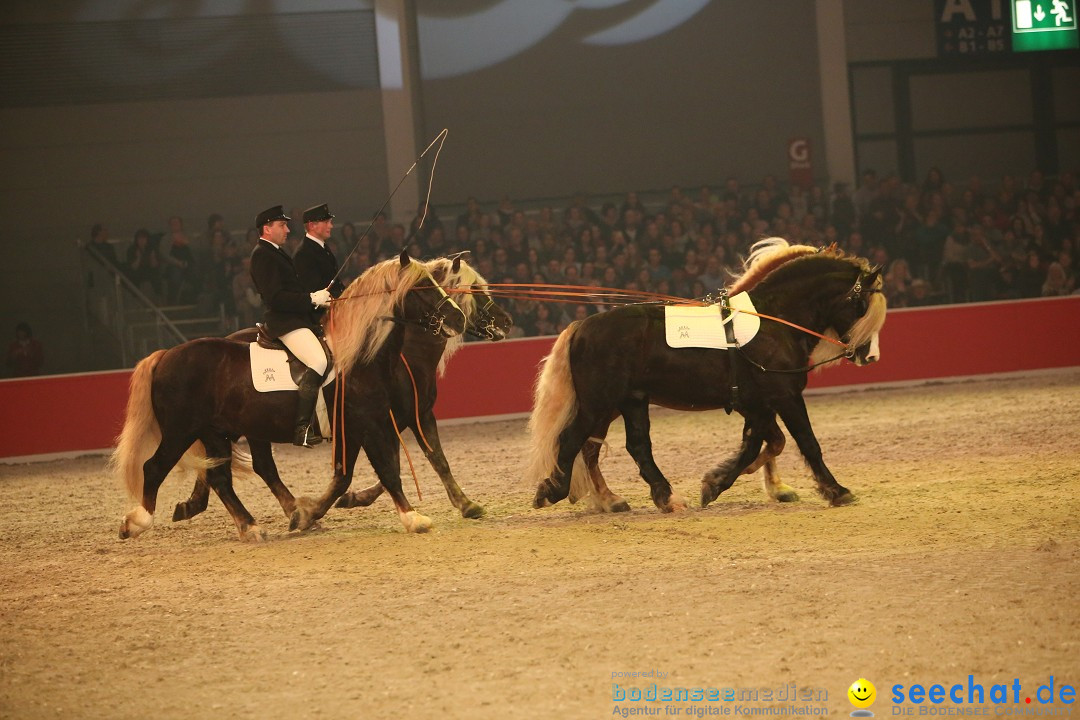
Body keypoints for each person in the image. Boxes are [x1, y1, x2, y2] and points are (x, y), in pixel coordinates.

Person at [249, 205, 333, 447]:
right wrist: (310, 299)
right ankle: (302, 427)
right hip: (284, 322)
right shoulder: (262, 255)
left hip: (299, 318)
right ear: (267, 228)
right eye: (282, 225)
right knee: (318, 361)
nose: (287, 229)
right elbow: (275, 297)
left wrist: (316, 298)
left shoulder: (276, 252)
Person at [293, 204, 345, 321]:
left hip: (335, 309)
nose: (331, 226)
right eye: (326, 222)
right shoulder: (303, 253)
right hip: (319, 317)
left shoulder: (323, 247)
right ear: (312, 225)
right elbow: (312, 289)